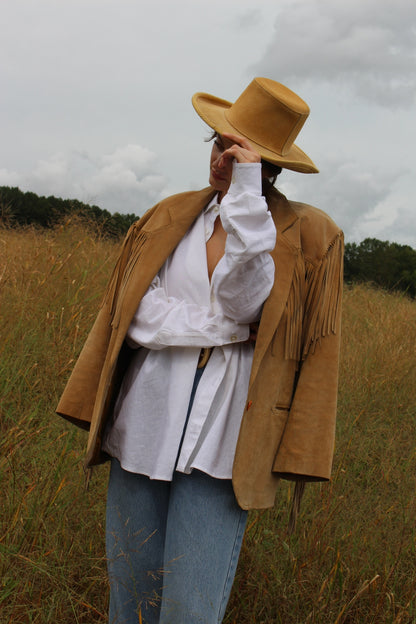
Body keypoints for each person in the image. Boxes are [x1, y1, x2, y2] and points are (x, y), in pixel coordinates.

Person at [57, 77, 344, 624]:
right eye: (217, 144)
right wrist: (231, 332)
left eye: (236, 154)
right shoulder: (171, 216)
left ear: (266, 166)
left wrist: (245, 205)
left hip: (227, 445)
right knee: (131, 607)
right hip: (143, 425)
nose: (220, 160)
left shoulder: (310, 236)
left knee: (190, 611)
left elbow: (244, 299)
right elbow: (139, 316)